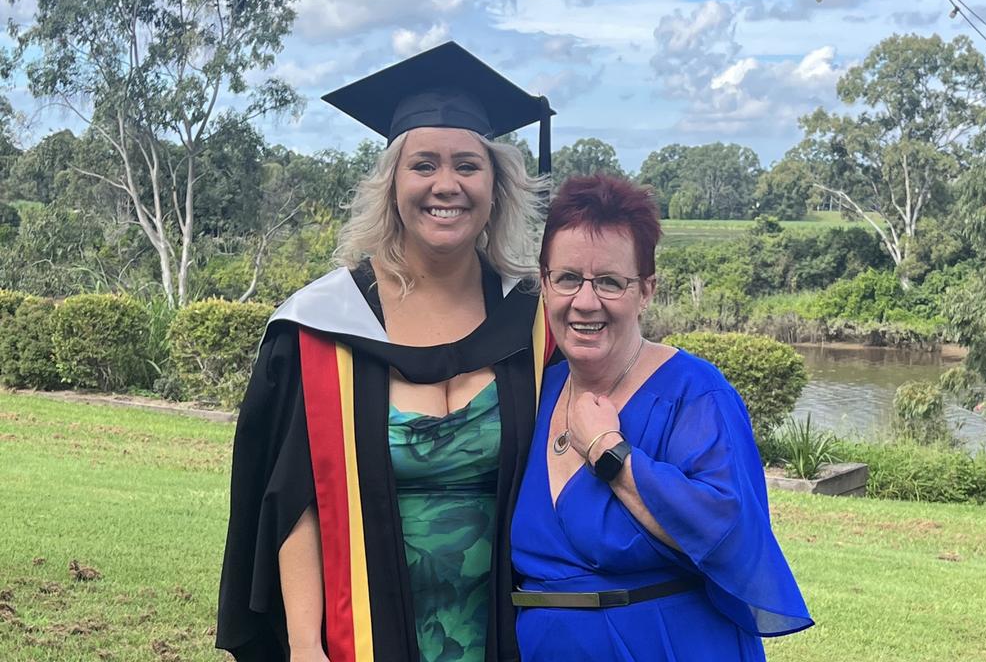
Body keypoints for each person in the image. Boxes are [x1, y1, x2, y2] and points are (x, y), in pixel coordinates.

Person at [216, 42, 558, 662]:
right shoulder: (323, 325)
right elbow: (295, 499)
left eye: (467, 165)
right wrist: (304, 646)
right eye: (423, 165)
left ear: (496, 184)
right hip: (365, 633)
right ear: (392, 184)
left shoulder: (536, 323)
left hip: (510, 634)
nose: (446, 185)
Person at [511, 174, 812, 661]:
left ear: (647, 290)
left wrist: (611, 453)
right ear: (545, 284)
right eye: (567, 278)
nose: (585, 302)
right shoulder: (536, 391)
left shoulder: (694, 394)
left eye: (610, 281)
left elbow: (730, 534)